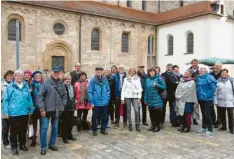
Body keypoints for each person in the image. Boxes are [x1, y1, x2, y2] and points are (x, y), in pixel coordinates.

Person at [2, 70, 34, 155]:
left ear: (22, 77)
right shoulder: (10, 87)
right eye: (17, 76)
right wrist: (6, 112)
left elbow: (29, 98)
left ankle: (22, 145)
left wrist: (31, 108)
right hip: (14, 113)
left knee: (23, 130)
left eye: (20, 76)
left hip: (25, 112)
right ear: (14, 77)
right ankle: (14, 147)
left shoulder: (26, 86)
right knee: (13, 131)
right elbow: (5, 100)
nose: (19, 77)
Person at [39, 66, 67, 155]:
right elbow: (40, 97)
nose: (56, 74)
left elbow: (65, 95)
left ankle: (52, 144)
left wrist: (63, 105)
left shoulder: (61, 83)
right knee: (44, 129)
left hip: (57, 110)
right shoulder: (46, 83)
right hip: (47, 110)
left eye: (57, 72)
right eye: (54, 72)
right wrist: (42, 109)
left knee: (55, 128)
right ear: (51, 72)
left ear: (59, 73)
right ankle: (43, 147)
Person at [88, 67, 110, 136]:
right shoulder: (92, 81)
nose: (99, 72)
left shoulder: (105, 80)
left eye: (100, 70)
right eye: (97, 70)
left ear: (102, 71)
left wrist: (107, 99)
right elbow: (89, 92)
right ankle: (94, 129)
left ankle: (103, 129)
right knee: (95, 117)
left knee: (105, 116)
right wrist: (91, 102)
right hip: (96, 102)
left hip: (104, 102)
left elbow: (108, 90)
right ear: (95, 71)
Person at [144, 68, 166, 132]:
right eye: (150, 71)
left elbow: (164, 87)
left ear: (155, 72)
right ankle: (153, 125)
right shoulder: (147, 79)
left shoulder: (159, 78)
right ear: (149, 72)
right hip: (150, 99)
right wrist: (145, 99)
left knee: (157, 113)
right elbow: (146, 90)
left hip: (157, 98)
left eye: (153, 71)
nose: (152, 72)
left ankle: (157, 126)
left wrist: (157, 85)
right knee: (151, 113)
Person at [197, 67, 217, 136]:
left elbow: (213, 88)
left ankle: (210, 129)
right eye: (200, 71)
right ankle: (204, 127)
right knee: (203, 113)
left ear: (206, 71)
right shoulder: (198, 78)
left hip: (208, 99)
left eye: (202, 71)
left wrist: (207, 95)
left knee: (207, 113)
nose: (200, 72)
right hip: (201, 99)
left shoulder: (210, 77)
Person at [121, 68, 142, 132]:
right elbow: (123, 89)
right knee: (128, 110)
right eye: (131, 71)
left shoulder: (137, 79)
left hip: (135, 96)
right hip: (127, 96)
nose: (132, 72)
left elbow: (140, 88)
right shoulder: (126, 79)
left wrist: (139, 98)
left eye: (133, 71)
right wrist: (122, 99)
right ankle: (130, 124)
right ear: (129, 72)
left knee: (136, 110)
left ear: (135, 72)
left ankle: (137, 124)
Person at [214, 69, 234, 134]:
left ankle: (232, 128)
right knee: (222, 115)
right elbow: (215, 93)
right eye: (223, 73)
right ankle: (224, 126)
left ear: (227, 73)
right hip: (221, 101)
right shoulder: (217, 81)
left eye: (225, 73)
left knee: (231, 115)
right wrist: (216, 101)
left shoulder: (231, 81)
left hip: (230, 101)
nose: (224, 74)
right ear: (221, 73)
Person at [30, 71, 44, 147]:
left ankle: (42, 139)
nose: (38, 77)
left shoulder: (44, 84)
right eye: (36, 76)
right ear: (34, 77)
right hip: (34, 108)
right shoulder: (31, 85)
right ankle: (34, 140)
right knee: (34, 125)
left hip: (42, 108)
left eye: (39, 75)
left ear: (41, 76)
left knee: (42, 125)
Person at [61, 74, 76, 143]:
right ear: (64, 80)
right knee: (65, 123)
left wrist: (74, 103)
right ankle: (64, 136)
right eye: (67, 79)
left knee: (71, 122)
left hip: (71, 107)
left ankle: (70, 134)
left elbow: (73, 96)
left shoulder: (72, 86)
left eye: (69, 79)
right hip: (65, 108)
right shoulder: (62, 87)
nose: (68, 80)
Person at [1, 70, 14, 149]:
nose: (10, 77)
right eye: (8, 76)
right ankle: (5, 142)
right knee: (5, 126)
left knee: (12, 126)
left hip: (13, 109)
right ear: (5, 76)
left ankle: (12, 140)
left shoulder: (14, 85)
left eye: (11, 76)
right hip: (4, 108)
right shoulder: (2, 85)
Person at [210, 62, 223, 128]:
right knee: (211, 107)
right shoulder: (210, 74)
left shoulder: (223, 74)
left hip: (219, 93)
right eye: (215, 66)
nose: (216, 67)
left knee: (219, 108)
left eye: (217, 66)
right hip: (211, 93)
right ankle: (212, 120)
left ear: (221, 67)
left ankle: (219, 121)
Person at [189, 59, 200, 125]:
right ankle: (189, 118)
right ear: (192, 64)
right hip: (190, 90)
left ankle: (194, 119)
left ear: (197, 63)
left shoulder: (200, 71)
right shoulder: (189, 70)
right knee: (189, 105)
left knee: (195, 105)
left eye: (196, 63)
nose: (195, 64)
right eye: (193, 63)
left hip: (197, 90)